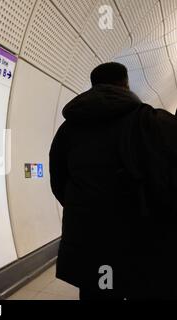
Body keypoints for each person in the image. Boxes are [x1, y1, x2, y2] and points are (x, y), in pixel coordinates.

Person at [49, 62, 177, 300]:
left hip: (89, 242)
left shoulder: (68, 130)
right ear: (126, 84)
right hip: (142, 239)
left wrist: (84, 207)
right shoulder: (151, 121)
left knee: (97, 292)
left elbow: (58, 184)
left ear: (93, 85)